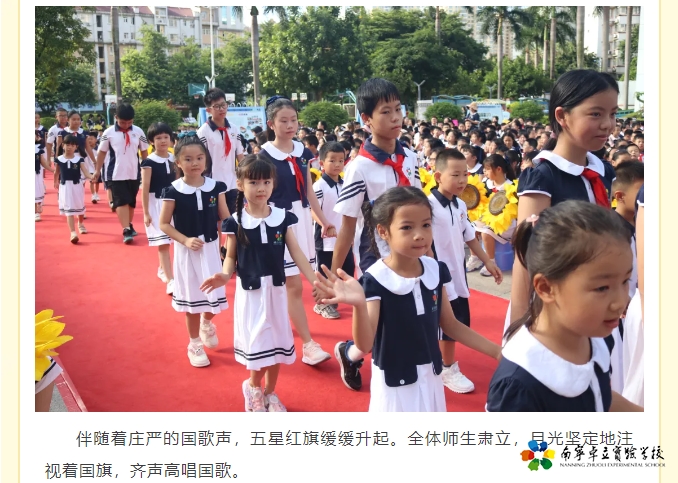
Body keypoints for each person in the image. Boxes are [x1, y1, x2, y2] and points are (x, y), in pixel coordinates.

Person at [315, 187, 501, 411]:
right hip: (395, 383)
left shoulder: (436, 270)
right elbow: (365, 344)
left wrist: (497, 352)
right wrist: (359, 305)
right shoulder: (376, 279)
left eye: (426, 225)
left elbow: (451, 325)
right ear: (383, 232)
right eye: (407, 227)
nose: (419, 234)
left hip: (431, 377)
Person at [487, 201, 642, 412]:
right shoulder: (519, 384)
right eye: (602, 288)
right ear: (546, 288)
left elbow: (598, 394)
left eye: (625, 281)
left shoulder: (597, 336)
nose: (620, 302)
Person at [201, 156, 321, 412]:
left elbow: (297, 253)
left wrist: (315, 280)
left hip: (276, 292)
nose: (261, 188)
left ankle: (270, 392)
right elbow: (230, 257)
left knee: (277, 344)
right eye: (254, 182)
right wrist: (224, 275)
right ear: (240, 185)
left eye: (266, 182)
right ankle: (253, 387)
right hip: (251, 294)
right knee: (259, 344)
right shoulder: (235, 222)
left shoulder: (282, 218)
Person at [508, 69, 618, 331]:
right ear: (562, 116)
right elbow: (525, 257)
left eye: (613, 114)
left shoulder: (603, 171)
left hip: (603, 304)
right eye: (596, 114)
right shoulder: (542, 177)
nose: (607, 124)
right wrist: (518, 328)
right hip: (557, 313)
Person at [331, 78, 421, 390]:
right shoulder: (359, 168)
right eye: (386, 112)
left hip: (410, 254)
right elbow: (347, 226)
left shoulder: (411, 158)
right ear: (366, 119)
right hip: (375, 258)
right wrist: (334, 274)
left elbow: (419, 210)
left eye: (398, 109)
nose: (396, 117)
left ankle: (350, 353)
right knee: (381, 326)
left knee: (397, 322)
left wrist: (429, 255)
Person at [258, 95, 335, 366]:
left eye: (293, 120)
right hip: (277, 221)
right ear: (271, 124)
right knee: (291, 283)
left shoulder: (302, 152)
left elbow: (309, 191)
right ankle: (308, 344)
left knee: (290, 282)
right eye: (283, 121)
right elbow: (259, 194)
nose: (290, 125)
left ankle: (279, 327)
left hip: (301, 219)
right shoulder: (264, 155)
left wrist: (323, 220)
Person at [428, 149, 502, 394]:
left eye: (465, 175)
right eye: (455, 175)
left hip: (457, 274)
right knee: (443, 323)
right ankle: (446, 367)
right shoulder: (427, 205)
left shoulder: (460, 204)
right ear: (438, 176)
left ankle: (444, 365)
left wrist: (487, 261)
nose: (462, 180)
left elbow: (469, 236)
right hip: (436, 275)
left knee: (455, 320)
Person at [158, 135, 229, 367]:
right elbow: (164, 223)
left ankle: (206, 324)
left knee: (214, 297)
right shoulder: (173, 190)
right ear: (178, 162)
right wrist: (185, 240)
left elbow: (225, 218)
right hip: (187, 254)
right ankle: (194, 343)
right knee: (192, 301)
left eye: (199, 158)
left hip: (211, 250)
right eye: (188, 159)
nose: (195, 163)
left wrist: (229, 244)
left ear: (206, 160)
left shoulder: (216, 187)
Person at [608, 161, 644, 393]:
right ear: (620, 196)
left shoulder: (644, 223)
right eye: (640, 191)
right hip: (622, 310)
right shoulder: (610, 229)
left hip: (638, 304)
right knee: (624, 370)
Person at [94, 103, 150, 244]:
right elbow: (102, 153)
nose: (126, 125)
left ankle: (129, 224)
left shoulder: (138, 131)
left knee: (131, 202)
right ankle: (126, 229)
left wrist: (147, 168)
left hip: (134, 173)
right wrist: (97, 170)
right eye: (123, 122)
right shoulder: (108, 133)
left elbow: (144, 151)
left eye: (129, 122)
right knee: (120, 201)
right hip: (115, 173)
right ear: (116, 117)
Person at [312, 142, 355, 319]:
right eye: (332, 160)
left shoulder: (345, 184)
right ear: (322, 163)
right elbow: (313, 210)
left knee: (346, 270)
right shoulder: (319, 186)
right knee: (325, 272)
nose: (337, 164)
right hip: (326, 240)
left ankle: (333, 298)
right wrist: (324, 224)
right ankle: (322, 304)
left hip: (344, 238)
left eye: (341, 160)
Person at [197, 88, 245, 240]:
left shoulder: (234, 129)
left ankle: (228, 249)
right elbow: (200, 157)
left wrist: (246, 176)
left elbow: (240, 155)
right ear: (208, 109)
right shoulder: (203, 131)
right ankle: (217, 249)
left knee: (234, 218)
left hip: (232, 182)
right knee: (216, 221)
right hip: (212, 182)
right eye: (217, 106)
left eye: (224, 105)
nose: (222, 109)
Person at [142, 122, 177, 295]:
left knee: (175, 240)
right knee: (163, 242)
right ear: (151, 141)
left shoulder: (175, 158)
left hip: (175, 204)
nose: (163, 141)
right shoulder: (148, 162)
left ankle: (163, 269)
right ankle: (170, 281)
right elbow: (145, 187)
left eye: (166, 137)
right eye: (158, 138)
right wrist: (146, 212)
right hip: (156, 204)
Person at [54, 135, 95, 243]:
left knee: (79, 206)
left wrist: (91, 176)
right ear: (63, 145)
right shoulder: (59, 159)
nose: (69, 147)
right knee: (69, 208)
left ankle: (80, 223)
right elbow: (56, 172)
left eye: (72, 145)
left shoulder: (79, 159)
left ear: (76, 147)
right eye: (67, 145)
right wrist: (55, 181)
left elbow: (85, 172)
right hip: (65, 186)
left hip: (77, 186)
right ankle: (73, 232)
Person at [35, 133, 54, 222]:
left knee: (36, 191)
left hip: (36, 174)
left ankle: (36, 211)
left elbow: (43, 163)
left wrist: (53, 170)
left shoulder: (38, 149)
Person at [84, 131, 100, 204]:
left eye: (91, 139)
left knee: (97, 182)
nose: (90, 140)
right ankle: (93, 195)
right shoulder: (85, 148)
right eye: (88, 139)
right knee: (92, 181)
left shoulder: (99, 148)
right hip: (89, 167)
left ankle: (96, 193)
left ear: (96, 140)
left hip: (97, 167)